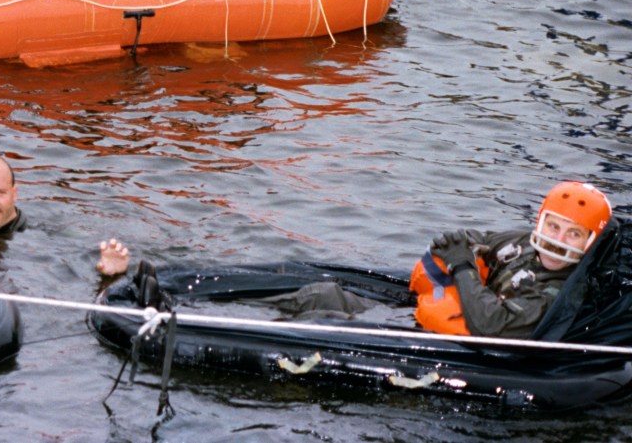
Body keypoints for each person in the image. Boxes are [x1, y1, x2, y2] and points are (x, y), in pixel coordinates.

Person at [100, 181, 613, 339]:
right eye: (553, 227)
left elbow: (490, 324)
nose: (558, 241)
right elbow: (471, 239)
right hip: (438, 310)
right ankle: (175, 285)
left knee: (323, 302)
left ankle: (182, 315)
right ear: (540, 221)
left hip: (454, 336)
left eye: (572, 235)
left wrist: (459, 268)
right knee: (314, 280)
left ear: (588, 244)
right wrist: (460, 253)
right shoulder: (523, 242)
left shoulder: (553, 291)